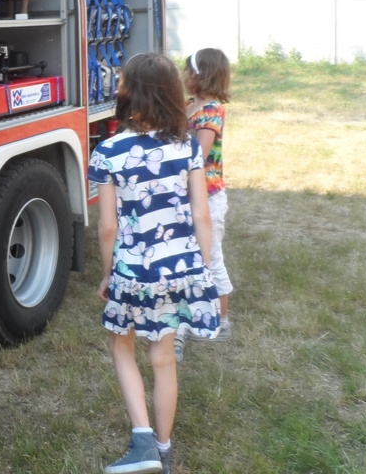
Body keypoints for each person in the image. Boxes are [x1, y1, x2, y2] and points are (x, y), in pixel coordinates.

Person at [89, 52, 220, 474]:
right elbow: (201, 215)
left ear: (127, 94)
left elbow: (108, 227)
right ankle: (163, 451)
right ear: (172, 94)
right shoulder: (187, 149)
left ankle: (142, 439)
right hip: (181, 268)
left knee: (121, 344)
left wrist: (108, 273)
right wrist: (199, 267)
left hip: (134, 270)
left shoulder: (108, 151)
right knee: (163, 358)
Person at [174, 48, 233, 363]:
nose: (183, 76)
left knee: (210, 257)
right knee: (188, 258)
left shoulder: (211, 111)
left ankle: (222, 322)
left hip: (207, 198)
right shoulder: (189, 106)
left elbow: (197, 153)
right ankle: (186, 320)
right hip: (188, 195)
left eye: (187, 70)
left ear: (200, 75)